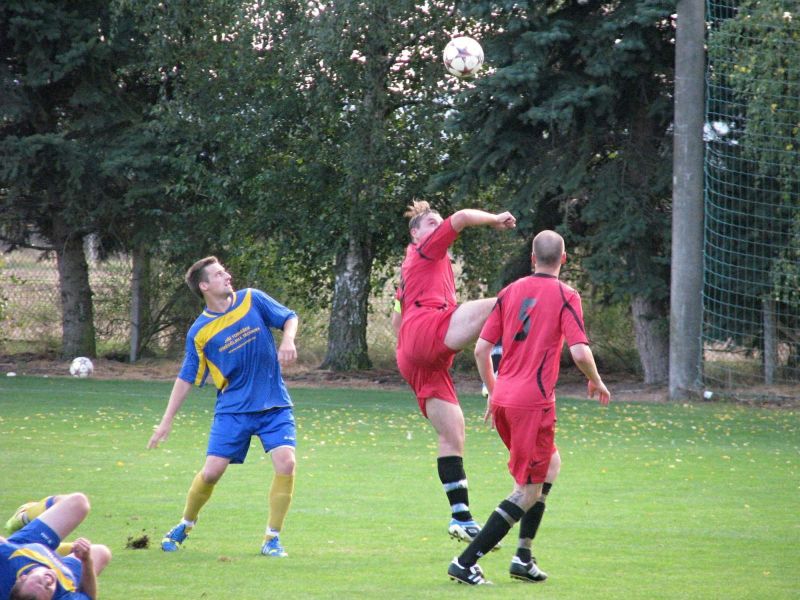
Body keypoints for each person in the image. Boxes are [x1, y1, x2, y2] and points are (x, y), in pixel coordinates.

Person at [447, 229, 611, 585]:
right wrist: (596, 380)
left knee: (549, 464)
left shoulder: (509, 292)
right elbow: (580, 351)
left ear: (533, 259)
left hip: (505, 397)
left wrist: (494, 392)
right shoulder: (566, 295)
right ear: (563, 259)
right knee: (527, 490)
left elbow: (480, 350)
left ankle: (523, 556)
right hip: (533, 403)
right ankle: (465, 561)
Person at [147, 256, 299, 557]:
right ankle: (184, 525)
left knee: (287, 463)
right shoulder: (199, 332)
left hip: (274, 404)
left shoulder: (252, 299)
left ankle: (272, 539)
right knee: (212, 472)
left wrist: (288, 340)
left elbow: (289, 317)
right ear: (204, 286)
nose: (227, 276)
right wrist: (166, 421)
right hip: (233, 410)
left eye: (225, 271)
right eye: (218, 274)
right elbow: (186, 377)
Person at [395, 200, 517, 544]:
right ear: (415, 234)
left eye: (438, 222)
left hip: (416, 355)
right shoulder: (425, 250)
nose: (438, 227)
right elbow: (462, 218)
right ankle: (497, 376)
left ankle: (460, 517)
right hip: (426, 330)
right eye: (431, 223)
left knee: (453, 434)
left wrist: (404, 349)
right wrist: (496, 218)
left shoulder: (415, 266)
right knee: (507, 301)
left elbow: (396, 314)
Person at [1, 493, 112, 600]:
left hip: (25, 544)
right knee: (101, 553)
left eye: (40, 582)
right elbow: (88, 597)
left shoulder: (5, 562)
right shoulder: (63, 597)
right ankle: (61, 551)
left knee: (78, 503)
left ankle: (23, 517)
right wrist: (86, 561)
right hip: (63, 572)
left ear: (22, 578)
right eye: (48, 589)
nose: (48, 581)